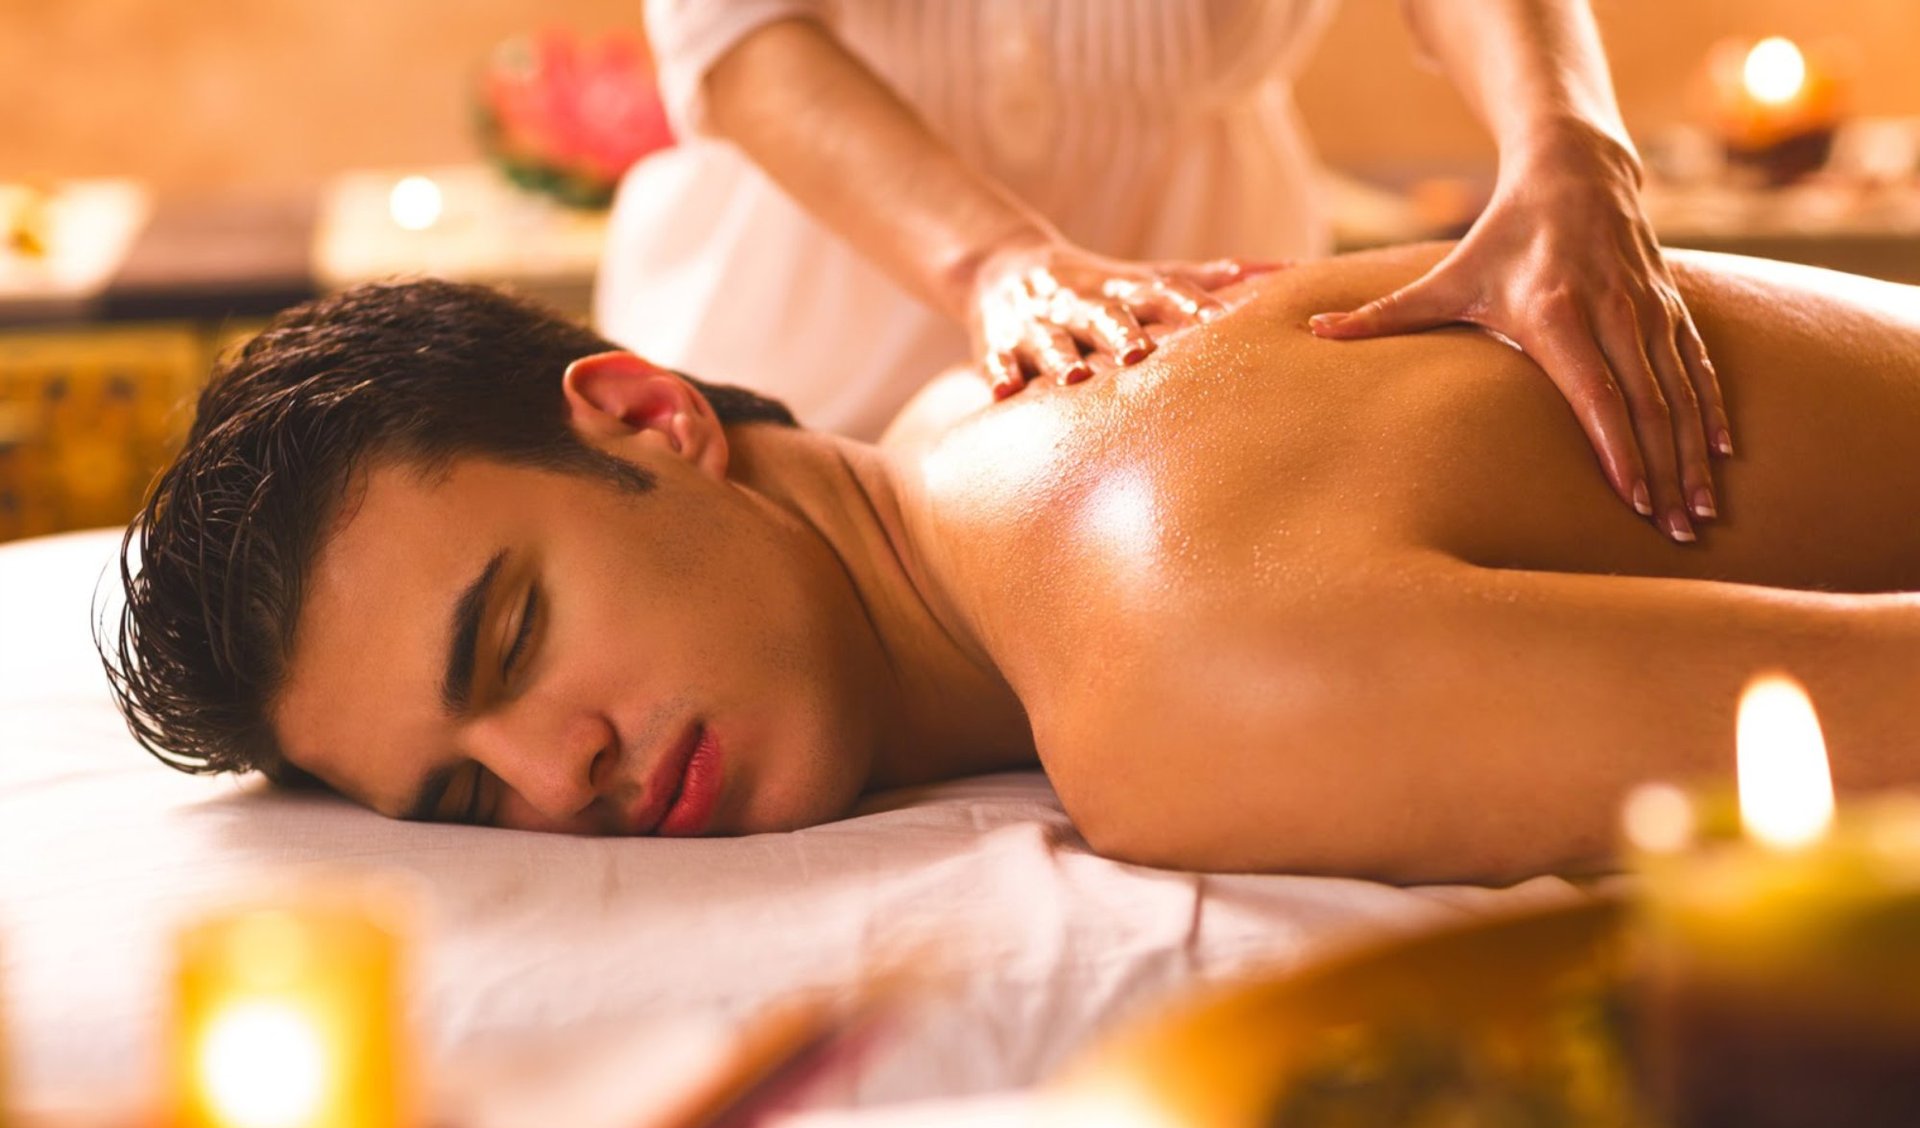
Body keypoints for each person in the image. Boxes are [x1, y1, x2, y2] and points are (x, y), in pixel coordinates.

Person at [105, 243, 1920, 886]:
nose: (552, 776)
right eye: (462, 805)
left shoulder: (1173, 691)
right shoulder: (971, 411)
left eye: (510, 637)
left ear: (650, 417)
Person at [600, 0, 1727, 545]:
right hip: (806, 302)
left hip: (1187, 295)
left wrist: (1570, 145)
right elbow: (744, 36)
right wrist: (995, 263)